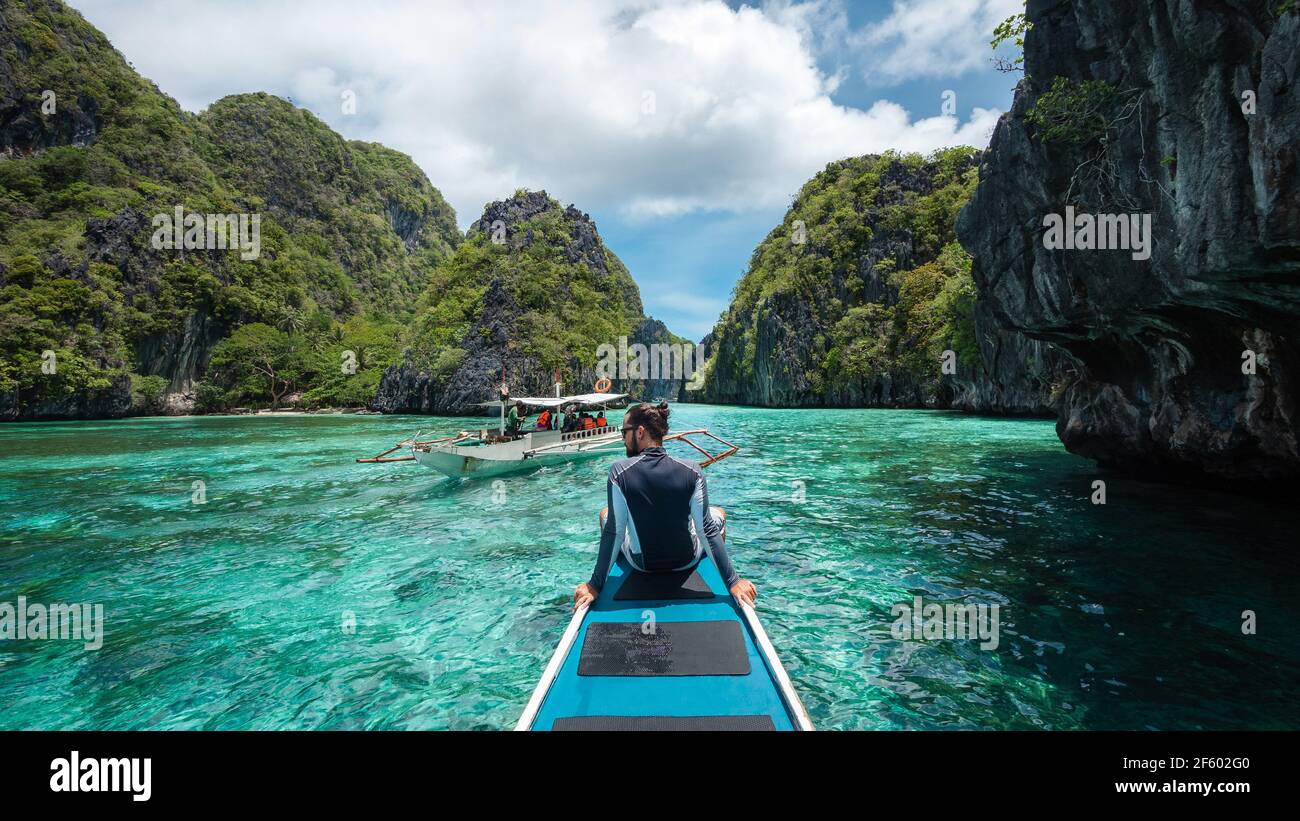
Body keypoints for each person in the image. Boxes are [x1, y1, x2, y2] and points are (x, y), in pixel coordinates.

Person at [573, 402, 756, 610]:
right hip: (685, 561)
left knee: (605, 515)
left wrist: (594, 585)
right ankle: (714, 569)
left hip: (642, 565)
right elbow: (706, 529)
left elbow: (614, 531)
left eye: (624, 432)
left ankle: (618, 563)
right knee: (719, 513)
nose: (622, 438)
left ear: (640, 432)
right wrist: (733, 581)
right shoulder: (692, 470)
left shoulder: (619, 472)